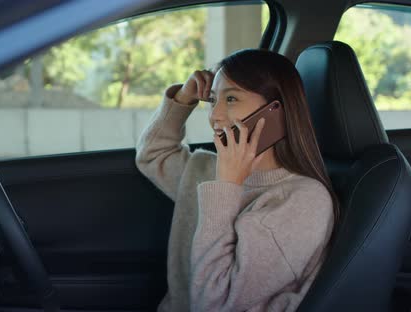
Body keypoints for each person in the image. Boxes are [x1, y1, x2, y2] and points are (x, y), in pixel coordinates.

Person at [135, 49, 339, 312]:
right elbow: (152, 155)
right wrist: (184, 99)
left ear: (275, 110)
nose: (214, 115)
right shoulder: (206, 168)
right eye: (212, 100)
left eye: (231, 98)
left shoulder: (302, 201)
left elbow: (214, 304)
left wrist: (227, 187)